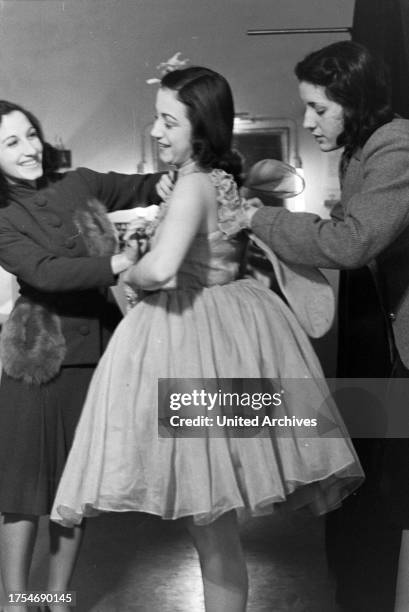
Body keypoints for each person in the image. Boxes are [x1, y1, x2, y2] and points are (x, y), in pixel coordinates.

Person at [50, 66, 363, 612]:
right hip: (232, 333)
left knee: (210, 521)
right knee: (212, 522)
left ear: (201, 128)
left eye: (168, 121)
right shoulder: (214, 179)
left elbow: (162, 269)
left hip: (194, 342)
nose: (155, 132)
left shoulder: (195, 182)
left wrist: (127, 267)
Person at [245, 41, 409, 611]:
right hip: (378, 341)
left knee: (391, 492)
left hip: (399, 346)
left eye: (318, 108)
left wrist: (257, 217)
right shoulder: (358, 151)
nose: (309, 120)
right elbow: (340, 230)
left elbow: (351, 240)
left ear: (354, 101)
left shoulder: (396, 146)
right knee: (373, 489)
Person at [0, 100, 170, 612]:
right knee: (24, 490)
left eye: (31, 134)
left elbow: (139, 187)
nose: (30, 148)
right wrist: (119, 262)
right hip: (37, 360)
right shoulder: (2, 217)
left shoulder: (79, 181)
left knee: (75, 490)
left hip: (97, 354)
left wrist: (164, 183)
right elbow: (46, 272)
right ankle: (14, 601)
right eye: (12, 143)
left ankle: (56, 598)